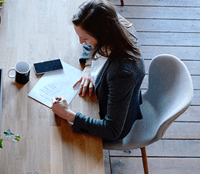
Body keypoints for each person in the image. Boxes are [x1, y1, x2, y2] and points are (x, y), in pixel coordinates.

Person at [51, 0, 145, 141]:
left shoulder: (122, 73)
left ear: (103, 36)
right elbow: (90, 45)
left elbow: (112, 130)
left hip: (109, 122)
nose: (81, 42)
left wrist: (68, 114)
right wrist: (88, 66)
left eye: (84, 38)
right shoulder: (113, 22)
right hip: (103, 95)